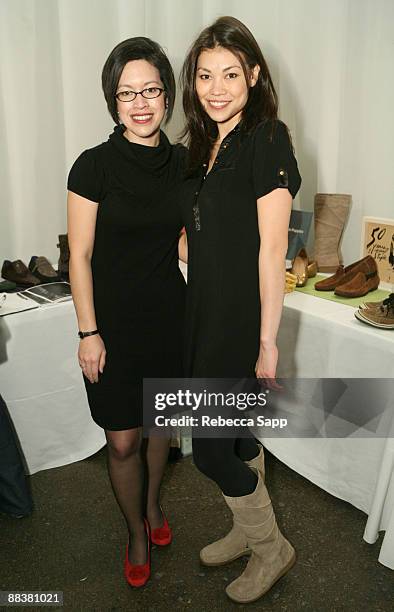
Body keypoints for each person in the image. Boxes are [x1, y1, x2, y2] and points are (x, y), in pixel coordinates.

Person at [180, 16, 301, 604]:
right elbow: (199, 230)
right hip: (203, 312)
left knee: (206, 448)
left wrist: (268, 341)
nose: (217, 87)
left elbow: (273, 246)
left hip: (239, 321)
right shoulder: (203, 145)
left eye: (231, 73)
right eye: (206, 75)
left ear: (254, 74)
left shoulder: (266, 138)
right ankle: (246, 527)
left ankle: (271, 547)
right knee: (231, 436)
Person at [67, 37, 186, 588]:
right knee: (122, 440)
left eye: (151, 90)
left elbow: (182, 243)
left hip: (169, 318)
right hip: (111, 326)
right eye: (127, 93)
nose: (140, 103)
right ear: (113, 102)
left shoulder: (186, 165)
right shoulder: (92, 167)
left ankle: (154, 507)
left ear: (168, 94)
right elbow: (81, 257)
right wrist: (88, 332)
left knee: (161, 428)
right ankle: (135, 531)